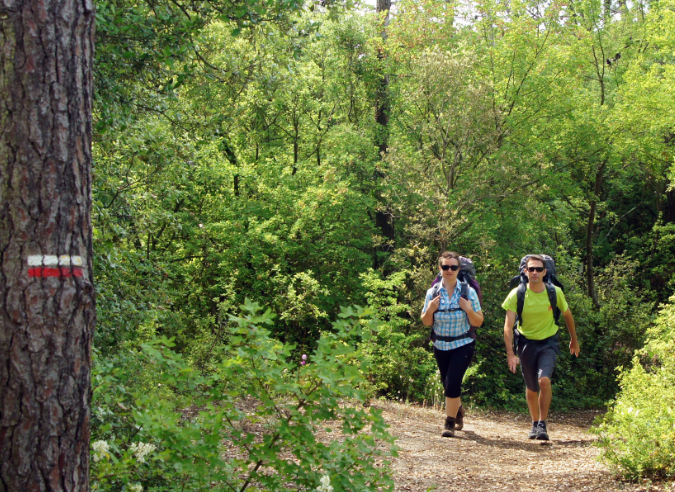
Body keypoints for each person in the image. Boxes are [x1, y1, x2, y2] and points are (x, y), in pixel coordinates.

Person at [502, 254, 580, 440]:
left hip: (548, 342)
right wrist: (511, 354)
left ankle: (543, 424)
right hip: (525, 343)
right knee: (531, 387)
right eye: (531, 269)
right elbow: (507, 326)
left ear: (545, 272)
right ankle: (535, 423)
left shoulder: (554, 293)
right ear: (525, 271)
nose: (535, 272)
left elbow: (568, 315)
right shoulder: (517, 294)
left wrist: (574, 340)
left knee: (544, 380)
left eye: (538, 269)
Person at [422, 251, 484, 437]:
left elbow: (478, 321)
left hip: (463, 343)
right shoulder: (432, 293)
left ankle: (449, 423)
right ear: (440, 269)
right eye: (445, 267)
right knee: (446, 383)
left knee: (453, 382)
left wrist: (469, 309)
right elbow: (426, 322)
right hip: (440, 344)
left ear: (458, 269)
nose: (449, 270)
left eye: (453, 267)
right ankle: (458, 410)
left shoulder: (468, 292)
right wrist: (430, 310)